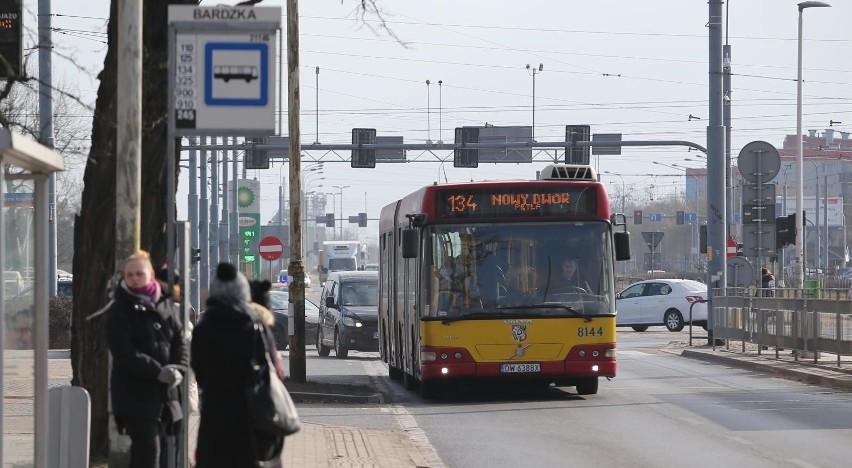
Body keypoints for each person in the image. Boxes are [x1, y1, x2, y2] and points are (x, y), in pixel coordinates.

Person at [191, 263, 285, 467]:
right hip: (250, 417)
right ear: (243, 293)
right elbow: (272, 371)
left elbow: (198, 372)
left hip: (213, 416)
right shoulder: (255, 329)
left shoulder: (202, 330)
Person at [106, 250, 188, 468]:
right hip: (134, 394)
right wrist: (157, 372)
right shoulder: (119, 308)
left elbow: (180, 341)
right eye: (129, 274)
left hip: (165, 393)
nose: (134, 278)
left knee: (149, 453)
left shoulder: (164, 303)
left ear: (150, 274)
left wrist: (178, 368)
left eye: (138, 274)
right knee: (149, 451)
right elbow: (123, 351)